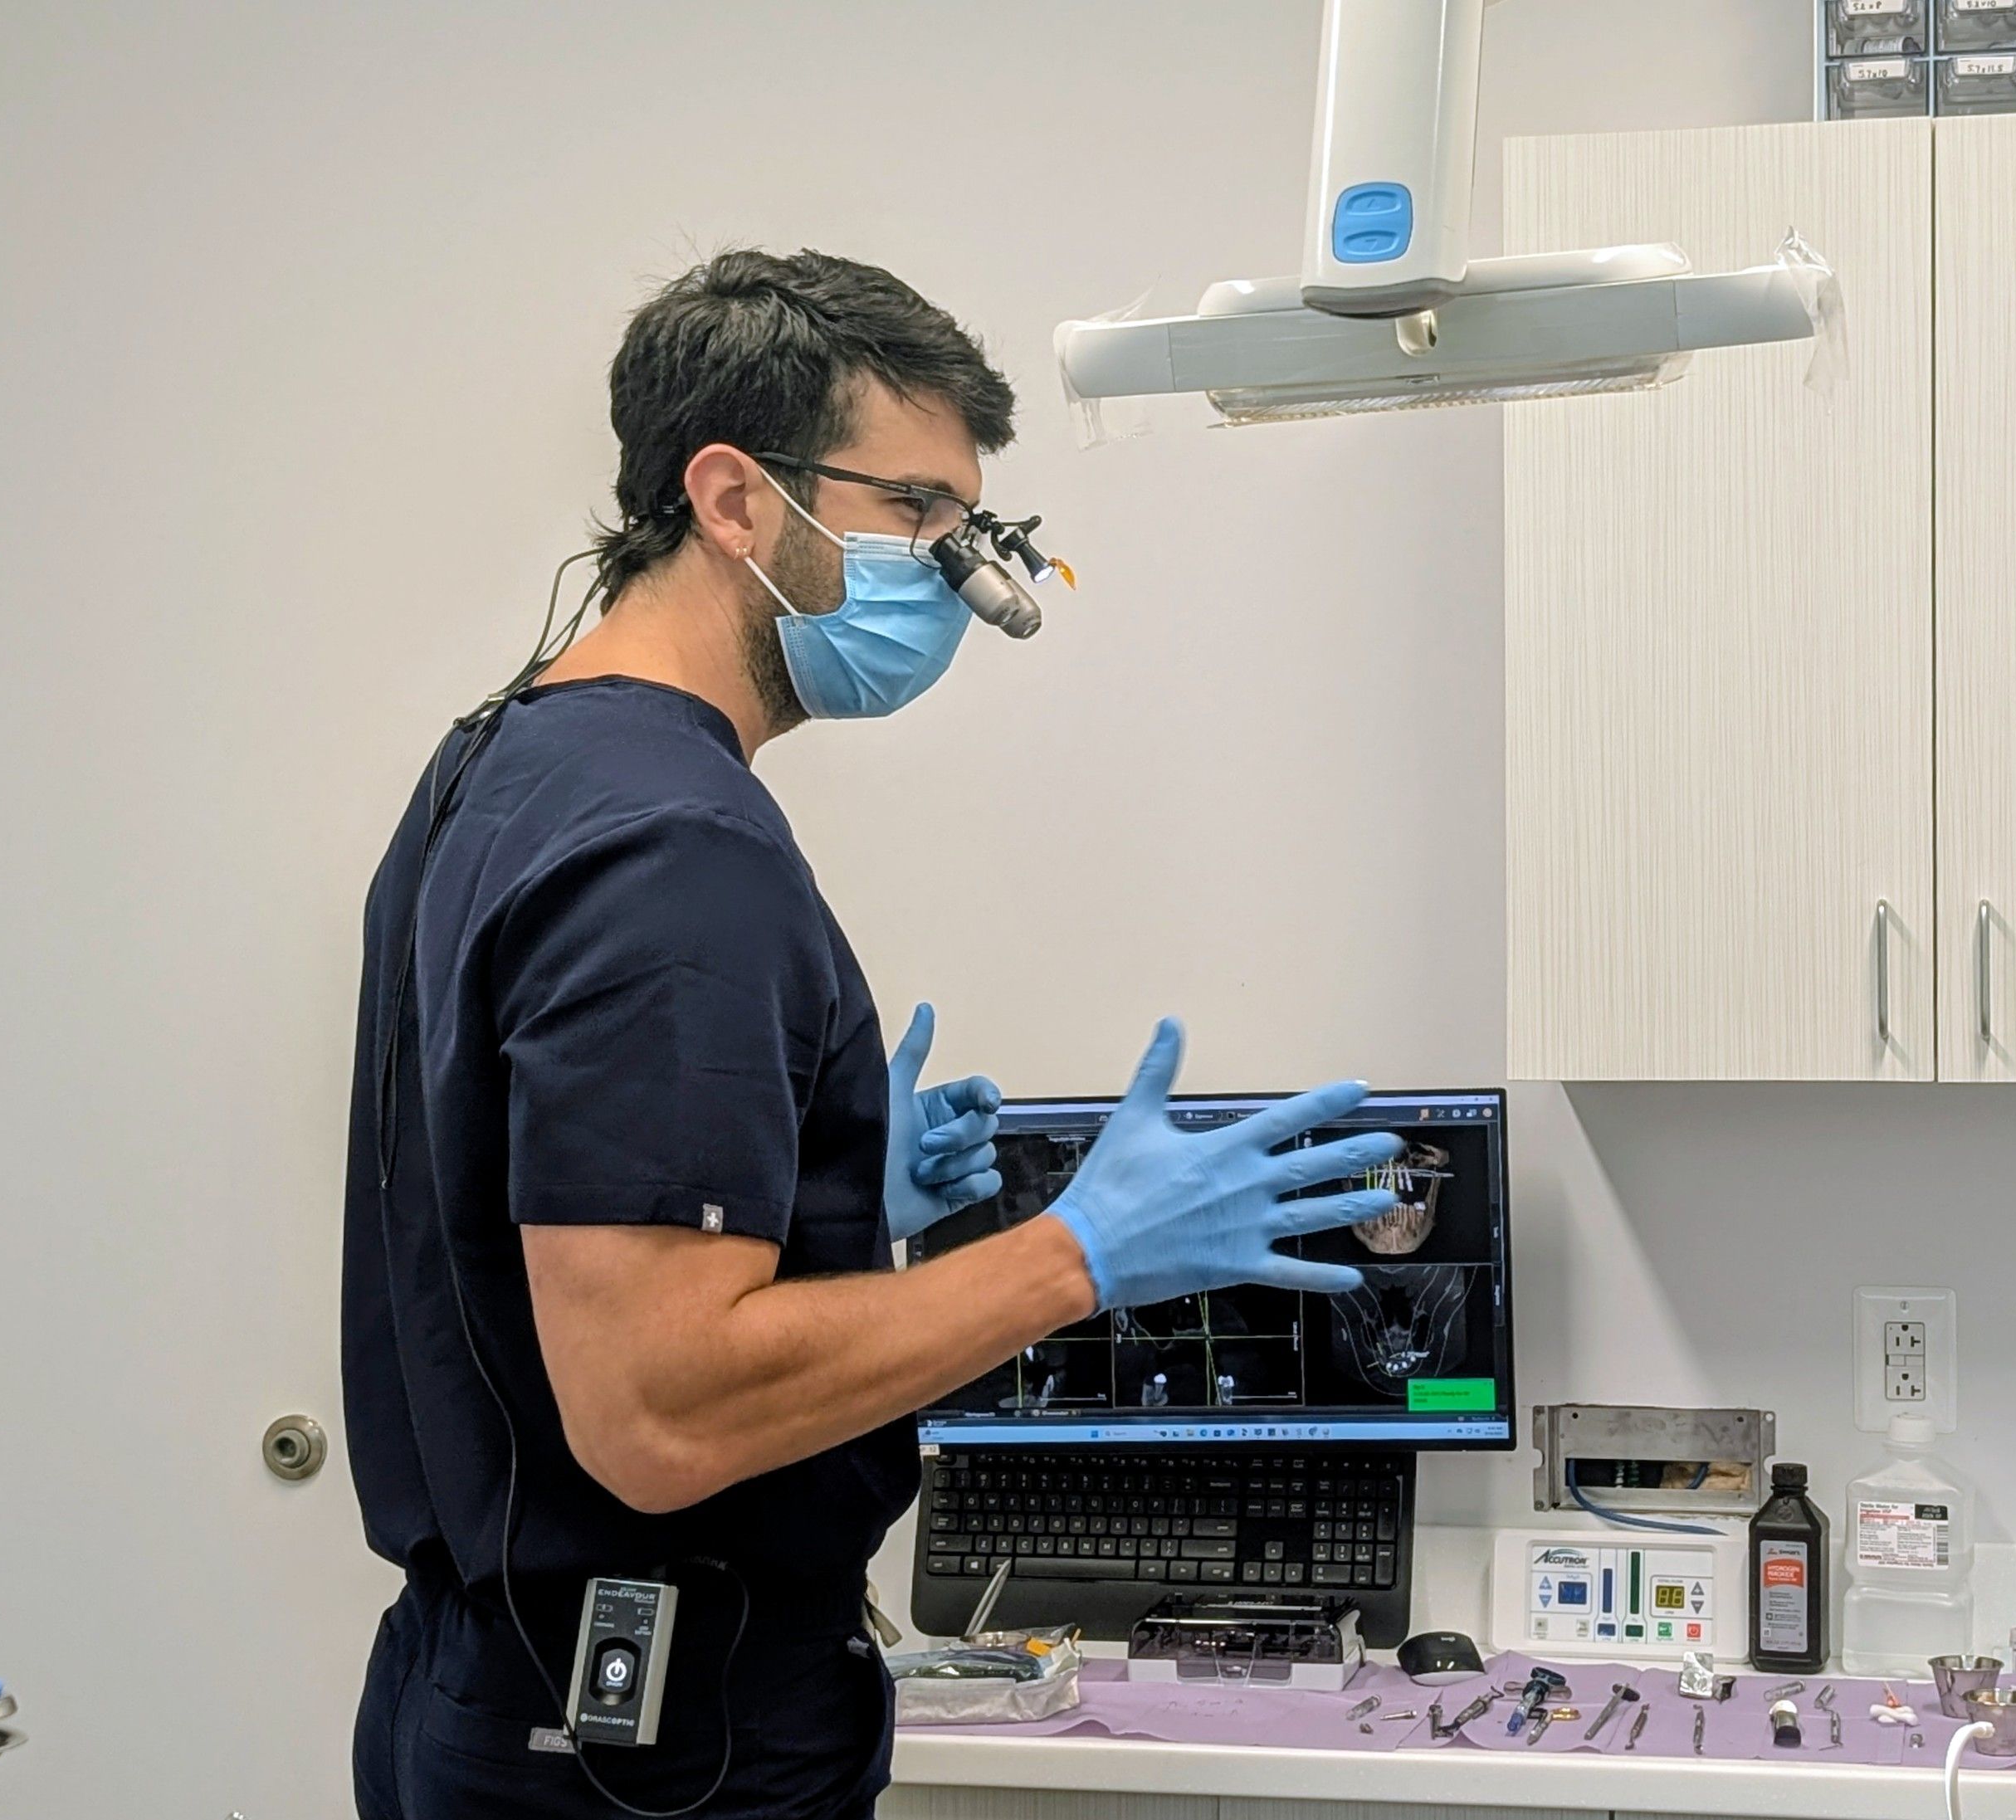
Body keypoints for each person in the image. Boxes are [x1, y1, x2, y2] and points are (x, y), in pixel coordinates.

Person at [340, 250, 1404, 1818]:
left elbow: (506, 1227)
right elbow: (656, 1409)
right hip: (649, 1748)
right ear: (731, 497)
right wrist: (1080, 1254)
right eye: (914, 512)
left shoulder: (500, 765)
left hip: (495, 1693)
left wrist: (830, 1207)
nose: (960, 576)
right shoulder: (673, 848)